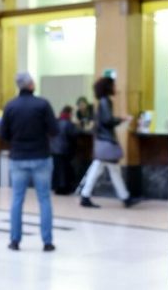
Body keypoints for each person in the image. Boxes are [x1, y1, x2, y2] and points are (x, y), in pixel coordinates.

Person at [0, 73, 58, 252]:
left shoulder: (10, 106)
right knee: (44, 199)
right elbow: (54, 129)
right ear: (31, 85)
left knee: (17, 199)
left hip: (18, 158)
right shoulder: (43, 104)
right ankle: (47, 242)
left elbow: (3, 134)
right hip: (41, 156)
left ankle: (15, 241)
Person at [79, 77, 138, 209]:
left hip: (103, 140)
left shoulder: (102, 101)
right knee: (108, 168)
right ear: (108, 87)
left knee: (104, 168)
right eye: (114, 85)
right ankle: (125, 198)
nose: (116, 88)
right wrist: (122, 119)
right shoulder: (106, 101)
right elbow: (107, 120)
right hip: (107, 141)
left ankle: (87, 195)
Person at [51, 106, 78, 195]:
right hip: (64, 149)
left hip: (54, 149)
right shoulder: (69, 124)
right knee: (65, 170)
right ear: (69, 113)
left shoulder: (56, 122)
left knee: (57, 169)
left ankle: (57, 187)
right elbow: (73, 136)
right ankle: (64, 188)